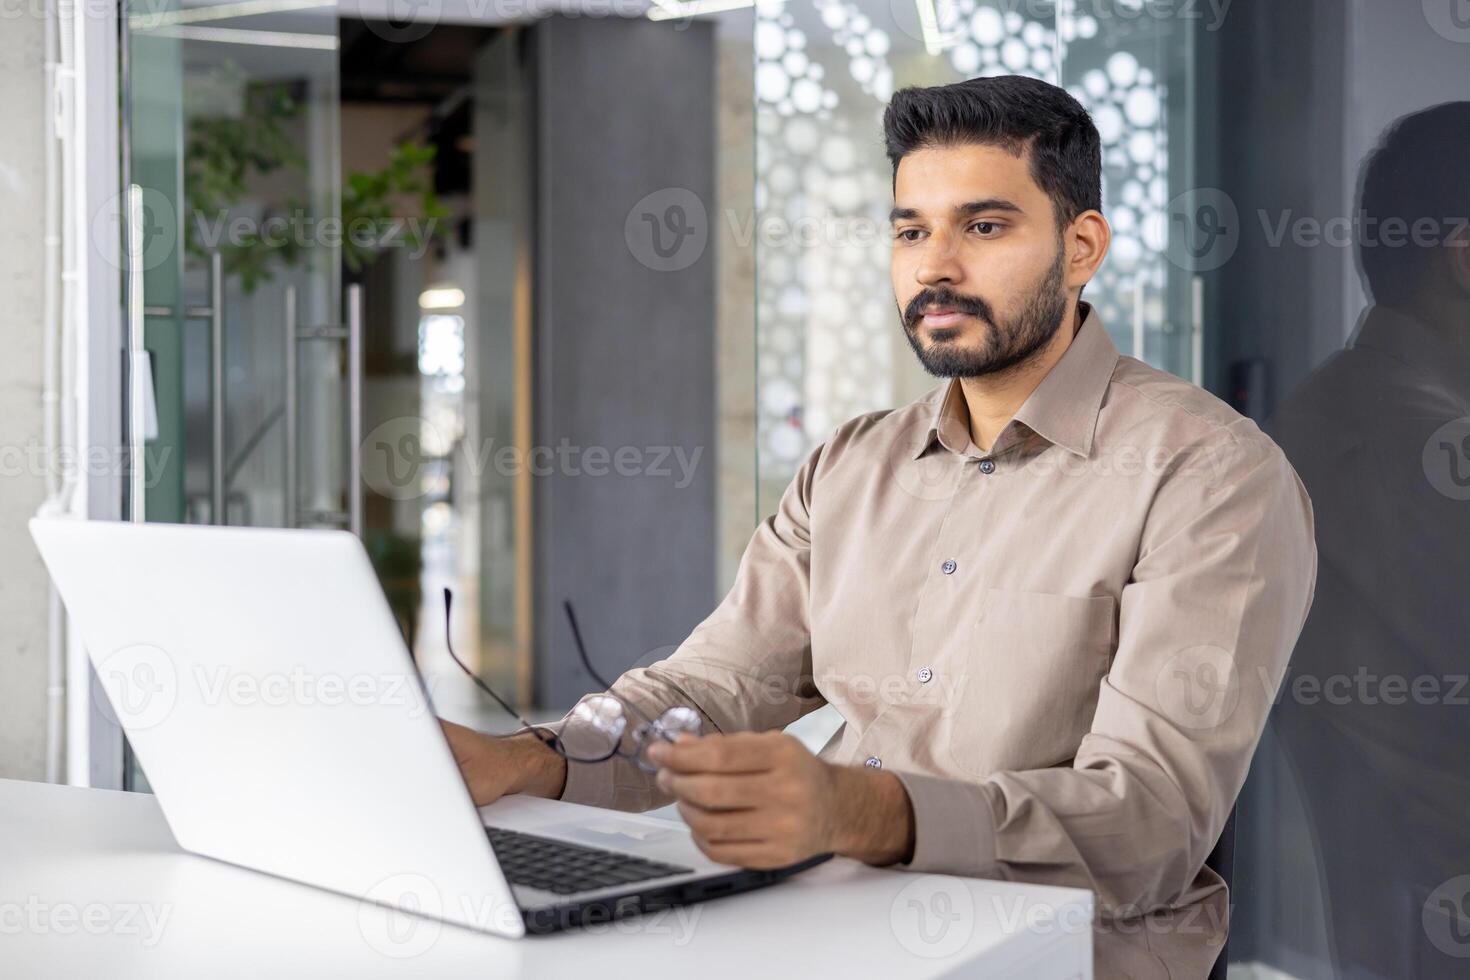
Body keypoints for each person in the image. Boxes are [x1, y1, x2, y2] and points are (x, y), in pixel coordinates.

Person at [443, 74, 1317, 978]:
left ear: (1081, 244)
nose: (934, 265)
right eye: (910, 230)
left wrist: (854, 809)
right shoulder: (850, 464)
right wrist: (525, 762)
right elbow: (712, 688)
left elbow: (1151, 821)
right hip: (835, 930)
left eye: (984, 227)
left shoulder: (1211, 475)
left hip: (1063, 953)